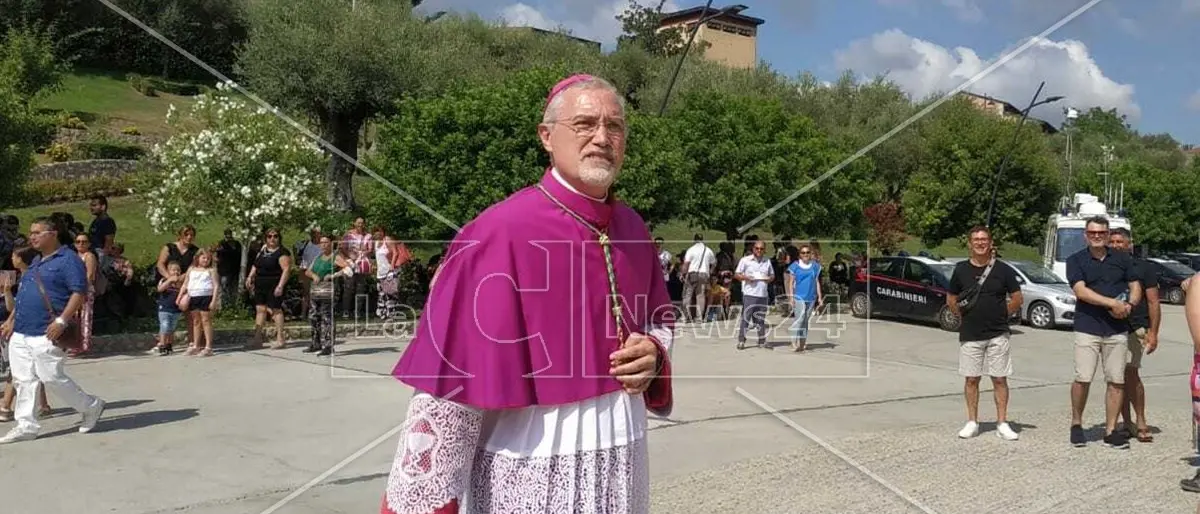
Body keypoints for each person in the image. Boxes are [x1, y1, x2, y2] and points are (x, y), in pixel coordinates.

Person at [379, 74, 673, 514]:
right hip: (532, 465)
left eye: (614, 127)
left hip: (624, 459)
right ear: (546, 137)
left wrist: (653, 352)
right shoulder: (498, 232)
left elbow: (659, 319)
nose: (602, 138)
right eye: (585, 124)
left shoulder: (633, 228)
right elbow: (448, 392)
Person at [0, 217, 106, 443]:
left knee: (50, 377)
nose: (32, 236)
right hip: (21, 331)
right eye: (31, 232)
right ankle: (26, 425)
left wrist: (61, 321)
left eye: (37, 232)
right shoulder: (37, 260)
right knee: (23, 379)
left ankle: (91, 406)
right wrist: (12, 319)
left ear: (53, 233)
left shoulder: (68, 260)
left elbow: (79, 292)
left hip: (46, 331)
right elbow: (26, 293)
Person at [1066, 216, 1141, 449]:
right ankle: (1076, 424)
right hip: (1087, 326)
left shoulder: (1122, 259)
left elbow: (1135, 286)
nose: (1097, 236)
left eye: (1101, 233)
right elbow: (1081, 291)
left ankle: (1110, 430)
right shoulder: (1075, 260)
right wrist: (1112, 303)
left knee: (1116, 380)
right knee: (1083, 377)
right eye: (1092, 233)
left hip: (1117, 328)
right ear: (1085, 235)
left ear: (1108, 235)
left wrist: (1129, 305)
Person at [946, 226, 1023, 441]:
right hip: (970, 333)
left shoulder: (1003, 270)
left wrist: (1002, 314)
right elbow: (951, 299)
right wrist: (962, 315)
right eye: (976, 239)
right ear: (970, 244)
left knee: (999, 379)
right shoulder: (961, 269)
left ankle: (1002, 423)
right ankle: (972, 421)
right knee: (971, 379)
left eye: (984, 239)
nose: (980, 243)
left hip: (998, 333)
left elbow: (1017, 298)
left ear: (990, 243)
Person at [1108, 228, 1159, 443]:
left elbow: (1153, 302)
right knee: (1116, 378)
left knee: (1131, 375)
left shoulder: (1144, 267)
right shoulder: (1105, 267)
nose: (1116, 245)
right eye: (1112, 241)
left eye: (1120, 241)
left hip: (1135, 327)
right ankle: (1126, 423)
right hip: (1110, 328)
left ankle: (1141, 420)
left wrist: (1153, 332)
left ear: (1129, 244)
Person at [0, 247, 52, 420]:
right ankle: (43, 405)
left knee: (19, 367)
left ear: (22, 259)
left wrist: (11, 321)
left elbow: (23, 307)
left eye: (14, 256)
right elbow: (17, 307)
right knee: (32, 365)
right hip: (23, 326)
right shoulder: (24, 277)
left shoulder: (32, 278)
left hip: (29, 327)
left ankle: (6, 406)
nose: (11, 259)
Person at [246, 228, 291, 349]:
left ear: (279, 238)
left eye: (275, 236)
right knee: (260, 309)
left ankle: (280, 339)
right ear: (265, 238)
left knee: (276, 309)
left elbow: (286, 270)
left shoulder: (282, 252)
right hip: (260, 282)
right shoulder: (263, 250)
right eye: (269, 236)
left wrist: (280, 286)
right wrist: (250, 276)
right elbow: (256, 265)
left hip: (275, 283)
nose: (272, 239)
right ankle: (257, 339)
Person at [304, 235, 345, 355]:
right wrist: (313, 275)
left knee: (327, 317)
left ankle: (328, 345)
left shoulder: (336, 257)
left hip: (329, 291)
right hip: (316, 291)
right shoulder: (318, 257)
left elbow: (348, 269)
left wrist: (333, 275)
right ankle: (315, 343)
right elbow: (307, 271)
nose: (323, 245)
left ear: (331, 243)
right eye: (321, 243)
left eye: (326, 242)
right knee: (314, 316)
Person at [178, 249, 220, 357]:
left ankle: (208, 347)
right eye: (203, 258)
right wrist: (179, 296)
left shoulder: (211, 270)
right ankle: (196, 345)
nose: (205, 260)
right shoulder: (191, 269)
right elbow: (185, 284)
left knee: (206, 320)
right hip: (193, 296)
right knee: (196, 321)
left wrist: (214, 300)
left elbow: (216, 286)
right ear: (197, 258)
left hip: (206, 296)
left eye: (208, 258)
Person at [735, 240, 774, 350]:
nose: (759, 250)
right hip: (750, 294)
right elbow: (737, 274)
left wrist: (769, 279)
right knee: (746, 318)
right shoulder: (745, 260)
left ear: (764, 250)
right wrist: (746, 278)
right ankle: (741, 340)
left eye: (761, 249)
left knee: (760, 319)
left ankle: (762, 341)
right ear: (753, 249)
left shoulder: (767, 261)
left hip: (763, 294)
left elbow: (772, 275)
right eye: (757, 248)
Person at [786, 244, 823, 353]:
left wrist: (820, 297)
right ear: (800, 254)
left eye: (807, 252)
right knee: (799, 319)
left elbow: (816, 282)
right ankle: (793, 342)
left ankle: (802, 343)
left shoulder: (815, 266)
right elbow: (791, 283)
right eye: (803, 253)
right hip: (799, 297)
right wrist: (791, 297)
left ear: (810, 254)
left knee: (805, 321)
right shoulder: (795, 266)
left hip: (811, 297)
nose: (805, 254)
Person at [680, 234, 715, 323]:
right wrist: (710, 272)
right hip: (704, 274)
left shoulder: (691, 250)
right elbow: (714, 263)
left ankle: (685, 317)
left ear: (694, 240)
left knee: (687, 295)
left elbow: (686, 263)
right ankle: (699, 318)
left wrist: (682, 274)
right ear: (702, 240)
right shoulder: (708, 250)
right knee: (700, 296)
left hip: (692, 274)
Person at [154, 261, 185, 356]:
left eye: (178, 270)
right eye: (173, 270)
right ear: (168, 271)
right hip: (164, 308)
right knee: (165, 325)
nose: (176, 272)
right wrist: (169, 280)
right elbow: (160, 289)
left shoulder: (180, 283)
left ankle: (169, 344)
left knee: (172, 327)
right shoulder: (164, 280)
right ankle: (162, 344)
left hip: (175, 310)